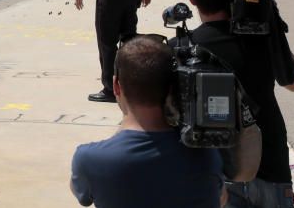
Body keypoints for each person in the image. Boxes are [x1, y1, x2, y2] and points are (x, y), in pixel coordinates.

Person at [182, 0, 294, 208]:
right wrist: (271, 23)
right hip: (270, 163)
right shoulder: (261, 41)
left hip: (219, 170)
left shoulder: (187, 49)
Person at [70, 36, 223, 208]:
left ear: (116, 87)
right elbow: (222, 198)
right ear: (173, 87)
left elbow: (82, 195)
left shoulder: (90, 159)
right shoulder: (207, 155)